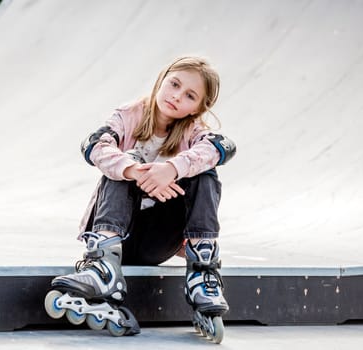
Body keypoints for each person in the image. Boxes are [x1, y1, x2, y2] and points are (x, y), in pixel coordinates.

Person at [51, 56, 236, 330]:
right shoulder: (128, 115)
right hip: (116, 233)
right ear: (162, 79)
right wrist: (136, 171)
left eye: (189, 96)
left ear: (197, 109)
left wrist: (171, 169)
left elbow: (222, 148)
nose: (176, 96)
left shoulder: (193, 132)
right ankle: (102, 266)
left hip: (156, 242)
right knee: (121, 161)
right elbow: (94, 146)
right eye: (174, 84)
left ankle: (202, 273)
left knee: (204, 172)